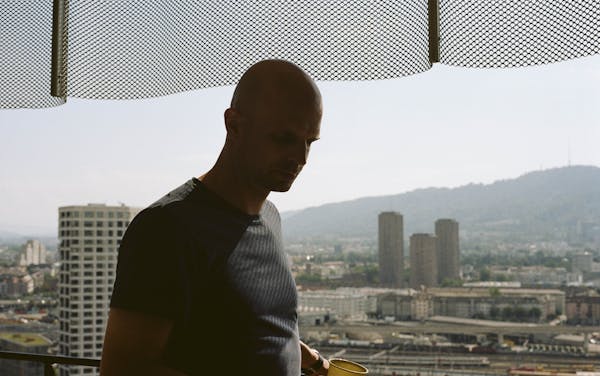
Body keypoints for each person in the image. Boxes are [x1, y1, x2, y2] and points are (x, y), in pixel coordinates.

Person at [100, 59, 328, 375]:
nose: (301, 158)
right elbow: (123, 370)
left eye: (309, 142)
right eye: (284, 138)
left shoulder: (270, 218)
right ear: (234, 125)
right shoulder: (167, 229)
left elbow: (256, 326)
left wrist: (313, 362)